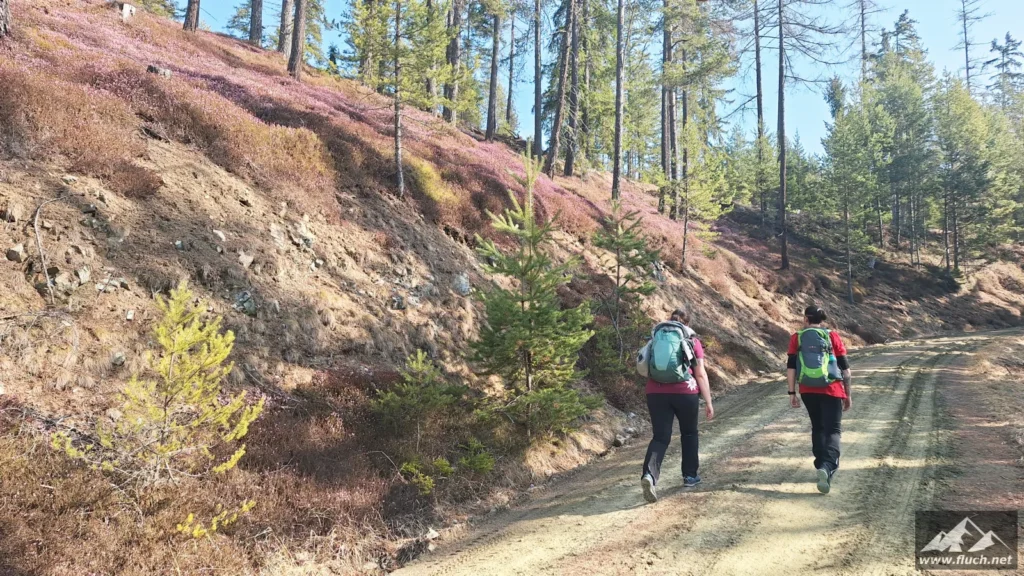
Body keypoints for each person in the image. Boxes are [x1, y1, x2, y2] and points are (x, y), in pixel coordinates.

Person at [640, 307, 714, 503]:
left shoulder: (655, 337)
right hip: (685, 392)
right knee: (689, 433)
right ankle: (690, 476)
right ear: (687, 323)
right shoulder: (692, 341)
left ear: (670, 319)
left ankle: (649, 475)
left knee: (660, 437)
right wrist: (708, 401)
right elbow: (700, 374)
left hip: (655, 393)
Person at [787, 305, 852, 494]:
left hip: (807, 389)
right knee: (833, 430)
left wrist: (792, 393)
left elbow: (791, 367)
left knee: (817, 427)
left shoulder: (797, 337)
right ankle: (828, 466)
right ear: (822, 319)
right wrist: (848, 394)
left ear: (806, 319)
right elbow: (846, 370)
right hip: (832, 389)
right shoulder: (832, 336)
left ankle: (820, 463)